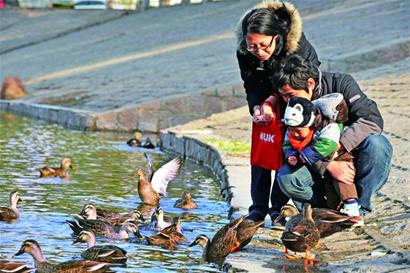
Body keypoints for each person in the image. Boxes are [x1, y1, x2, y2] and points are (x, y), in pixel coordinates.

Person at [273, 54, 393, 216]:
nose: (287, 101)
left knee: (377, 144)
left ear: (310, 83)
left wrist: (337, 147)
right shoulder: (290, 102)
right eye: (283, 95)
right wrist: (328, 164)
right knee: (286, 178)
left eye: (291, 95)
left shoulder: (343, 84)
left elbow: (372, 121)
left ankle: (360, 207)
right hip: (314, 162)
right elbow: (290, 145)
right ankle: (321, 214)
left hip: (349, 157)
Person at [236, 0, 320, 226]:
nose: (258, 52)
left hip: (294, 97)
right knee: (262, 150)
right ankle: (257, 209)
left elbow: (301, 84)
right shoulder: (245, 50)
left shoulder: (297, 48)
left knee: (285, 150)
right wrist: (257, 107)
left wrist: (275, 101)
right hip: (265, 101)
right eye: (252, 46)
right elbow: (251, 83)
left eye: (264, 45)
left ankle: (277, 208)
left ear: (277, 36)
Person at [282, 94, 362, 223]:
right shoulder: (292, 129)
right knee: (331, 199)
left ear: (310, 124)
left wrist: (305, 155)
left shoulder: (328, 126)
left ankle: (352, 208)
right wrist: (291, 155)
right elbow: (287, 144)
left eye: (299, 131)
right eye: (292, 130)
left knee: (343, 178)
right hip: (317, 166)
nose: (295, 134)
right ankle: (315, 214)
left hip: (338, 157)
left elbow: (328, 145)